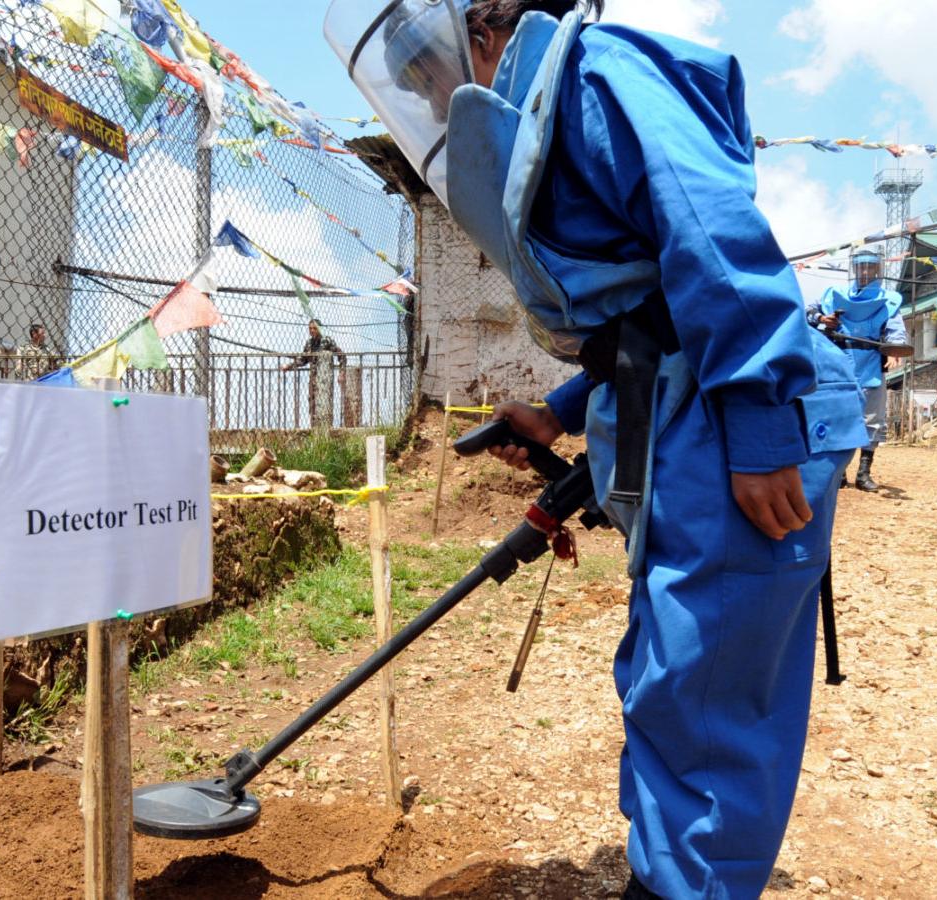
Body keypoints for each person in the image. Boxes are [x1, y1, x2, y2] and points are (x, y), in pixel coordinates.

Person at [326, 3, 865, 897]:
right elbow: (645, 312)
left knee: (708, 689)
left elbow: (712, 231)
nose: (430, 100)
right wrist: (560, 411)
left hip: (733, 417)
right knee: (671, 673)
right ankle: (666, 876)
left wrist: (762, 423)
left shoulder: (595, 71)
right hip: (687, 408)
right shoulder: (551, 102)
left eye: (427, 77)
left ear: (481, 31)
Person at [807, 249, 907, 491]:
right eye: (861, 266)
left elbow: (896, 331)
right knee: (837, 416)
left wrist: (895, 350)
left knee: (872, 419)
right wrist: (822, 318)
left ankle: (864, 473)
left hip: (871, 363)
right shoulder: (834, 294)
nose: (865, 271)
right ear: (854, 268)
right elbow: (807, 312)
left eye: (870, 267)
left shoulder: (888, 300)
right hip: (838, 364)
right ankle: (838, 472)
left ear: (878, 270)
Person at [281, 319, 347, 429]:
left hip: (325, 378)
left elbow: (341, 355)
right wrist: (289, 366)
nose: (312, 330)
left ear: (320, 329)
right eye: (310, 328)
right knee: (312, 403)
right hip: (313, 378)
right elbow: (303, 360)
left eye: (314, 328)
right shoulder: (309, 343)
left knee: (325, 403)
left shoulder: (327, 341)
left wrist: (342, 372)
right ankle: (314, 428)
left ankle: (326, 427)